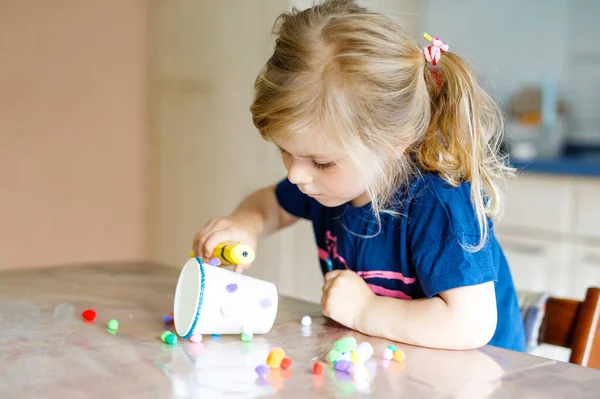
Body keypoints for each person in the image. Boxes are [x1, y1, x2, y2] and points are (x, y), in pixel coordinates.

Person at [193, 0, 526, 352]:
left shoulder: (439, 202)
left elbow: (470, 324)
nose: (295, 176)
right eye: (285, 151)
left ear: (394, 143)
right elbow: (271, 205)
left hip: (483, 378)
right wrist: (246, 224)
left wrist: (366, 309)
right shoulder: (327, 186)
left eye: (320, 162)